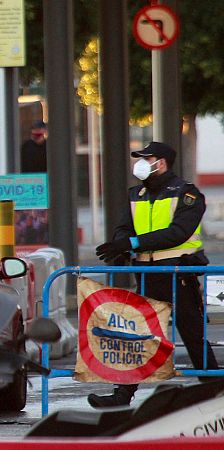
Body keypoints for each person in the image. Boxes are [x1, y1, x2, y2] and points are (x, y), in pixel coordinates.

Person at [88, 141, 220, 408]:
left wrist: (133, 243)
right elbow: (124, 227)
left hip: (178, 272)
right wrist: (121, 244)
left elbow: (178, 233)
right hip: (147, 274)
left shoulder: (186, 194)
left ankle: (214, 393)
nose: (141, 163)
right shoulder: (136, 193)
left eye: (146, 158)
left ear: (161, 163)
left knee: (192, 334)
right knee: (137, 336)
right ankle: (122, 394)